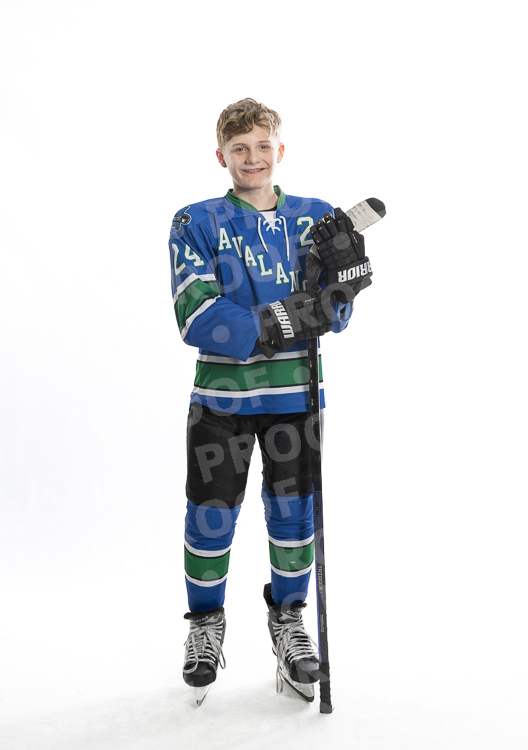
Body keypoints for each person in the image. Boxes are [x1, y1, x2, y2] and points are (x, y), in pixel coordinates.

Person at [169, 98, 372, 705]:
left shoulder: (316, 218)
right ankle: (205, 625)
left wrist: (345, 284)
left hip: (295, 397)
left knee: (294, 517)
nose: (252, 158)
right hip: (221, 403)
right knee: (209, 517)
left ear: (280, 150)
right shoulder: (194, 221)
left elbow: (335, 315)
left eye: (262, 146)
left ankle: (288, 623)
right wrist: (295, 315)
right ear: (221, 156)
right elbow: (198, 316)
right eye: (240, 149)